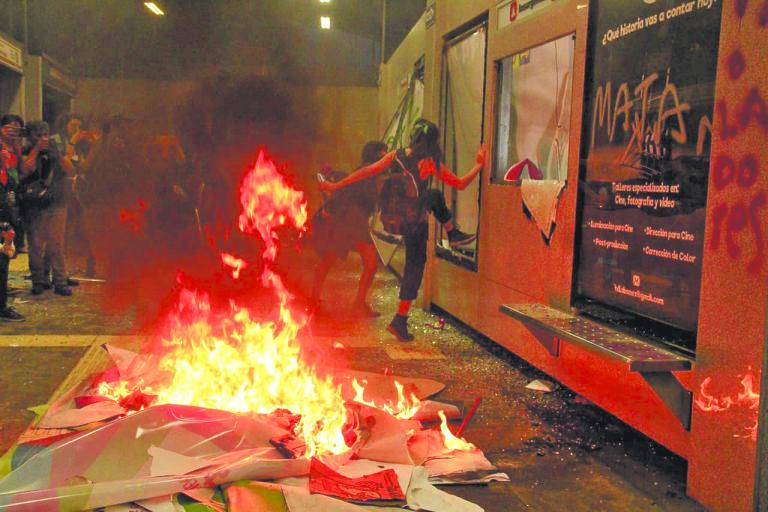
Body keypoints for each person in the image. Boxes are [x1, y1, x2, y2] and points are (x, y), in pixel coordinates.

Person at [321, 119, 484, 341]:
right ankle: (400, 319)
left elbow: (367, 171)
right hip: (414, 222)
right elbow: (460, 183)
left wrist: (335, 186)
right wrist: (479, 164)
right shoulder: (429, 162)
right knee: (416, 264)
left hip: (392, 220)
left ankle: (400, 321)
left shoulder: (395, 155)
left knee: (412, 262)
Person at [310, 141, 387, 317]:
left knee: (330, 259)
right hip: (352, 219)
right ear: (375, 153)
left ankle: (314, 299)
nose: (386, 154)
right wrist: (329, 209)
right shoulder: (368, 170)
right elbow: (345, 190)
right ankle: (356, 304)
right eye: (383, 151)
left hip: (350, 219)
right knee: (370, 263)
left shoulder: (373, 172)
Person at [20, 121, 72, 296]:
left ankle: (60, 282)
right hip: (33, 203)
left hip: (57, 201)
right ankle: (38, 281)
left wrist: (56, 155)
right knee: (35, 244)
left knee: (57, 244)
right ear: (30, 136)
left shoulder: (54, 151)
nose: (43, 138)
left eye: (46, 134)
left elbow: (70, 170)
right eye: (38, 135)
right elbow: (25, 170)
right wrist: (35, 151)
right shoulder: (25, 151)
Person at [53, 113, 101, 277]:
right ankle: (57, 268)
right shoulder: (56, 140)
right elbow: (67, 164)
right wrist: (73, 141)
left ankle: (77, 265)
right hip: (60, 187)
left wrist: (95, 146)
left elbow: (84, 167)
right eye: (73, 126)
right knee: (63, 228)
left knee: (80, 225)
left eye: (80, 127)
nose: (77, 130)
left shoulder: (81, 145)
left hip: (78, 189)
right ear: (65, 125)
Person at [0, 116, 25, 321]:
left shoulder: (14, 153)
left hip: (5, 215)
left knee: (3, 261)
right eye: (9, 128)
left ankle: (1, 306)